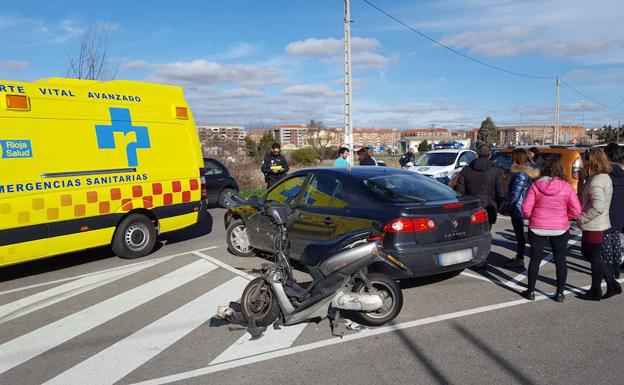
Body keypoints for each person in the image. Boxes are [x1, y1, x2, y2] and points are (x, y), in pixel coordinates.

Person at [521, 158, 581, 302]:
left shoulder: (536, 185)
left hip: (537, 227)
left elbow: (525, 208)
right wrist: (566, 217)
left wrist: (533, 217)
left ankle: (530, 291)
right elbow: (577, 209)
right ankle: (560, 293)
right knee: (560, 259)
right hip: (559, 227)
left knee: (535, 260)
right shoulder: (566, 187)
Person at [577, 148, 620, 301]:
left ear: (592, 161)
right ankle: (606, 285)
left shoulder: (596, 181)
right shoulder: (600, 177)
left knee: (593, 256)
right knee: (591, 255)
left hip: (594, 224)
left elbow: (597, 207)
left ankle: (601, 288)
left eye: (584, 159)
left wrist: (581, 218)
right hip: (597, 223)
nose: (582, 162)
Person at [504, 148, 540, 268]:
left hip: (518, 207)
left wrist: (507, 207)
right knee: (520, 235)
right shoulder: (526, 171)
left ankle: (520, 258)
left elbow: (516, 193)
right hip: (522, 206)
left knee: (519, 235)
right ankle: (519, 257)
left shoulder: (520, 173)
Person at [454, 144, 506, 227]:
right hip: (488, 207)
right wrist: (498, 207)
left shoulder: (466, 170)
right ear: (490, 155)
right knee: (486, 233)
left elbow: (459, 192)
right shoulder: (495, 171)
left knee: (471, 234)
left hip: (471, 207)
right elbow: (501, 194)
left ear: (477, 154)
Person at [602, 143, 624, 279]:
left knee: (606, 241)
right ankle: (616, 269)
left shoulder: (606, 174)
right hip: (620, 212)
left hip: (607, 211)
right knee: (616, 239)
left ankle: (609, 269)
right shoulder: (622, 173)